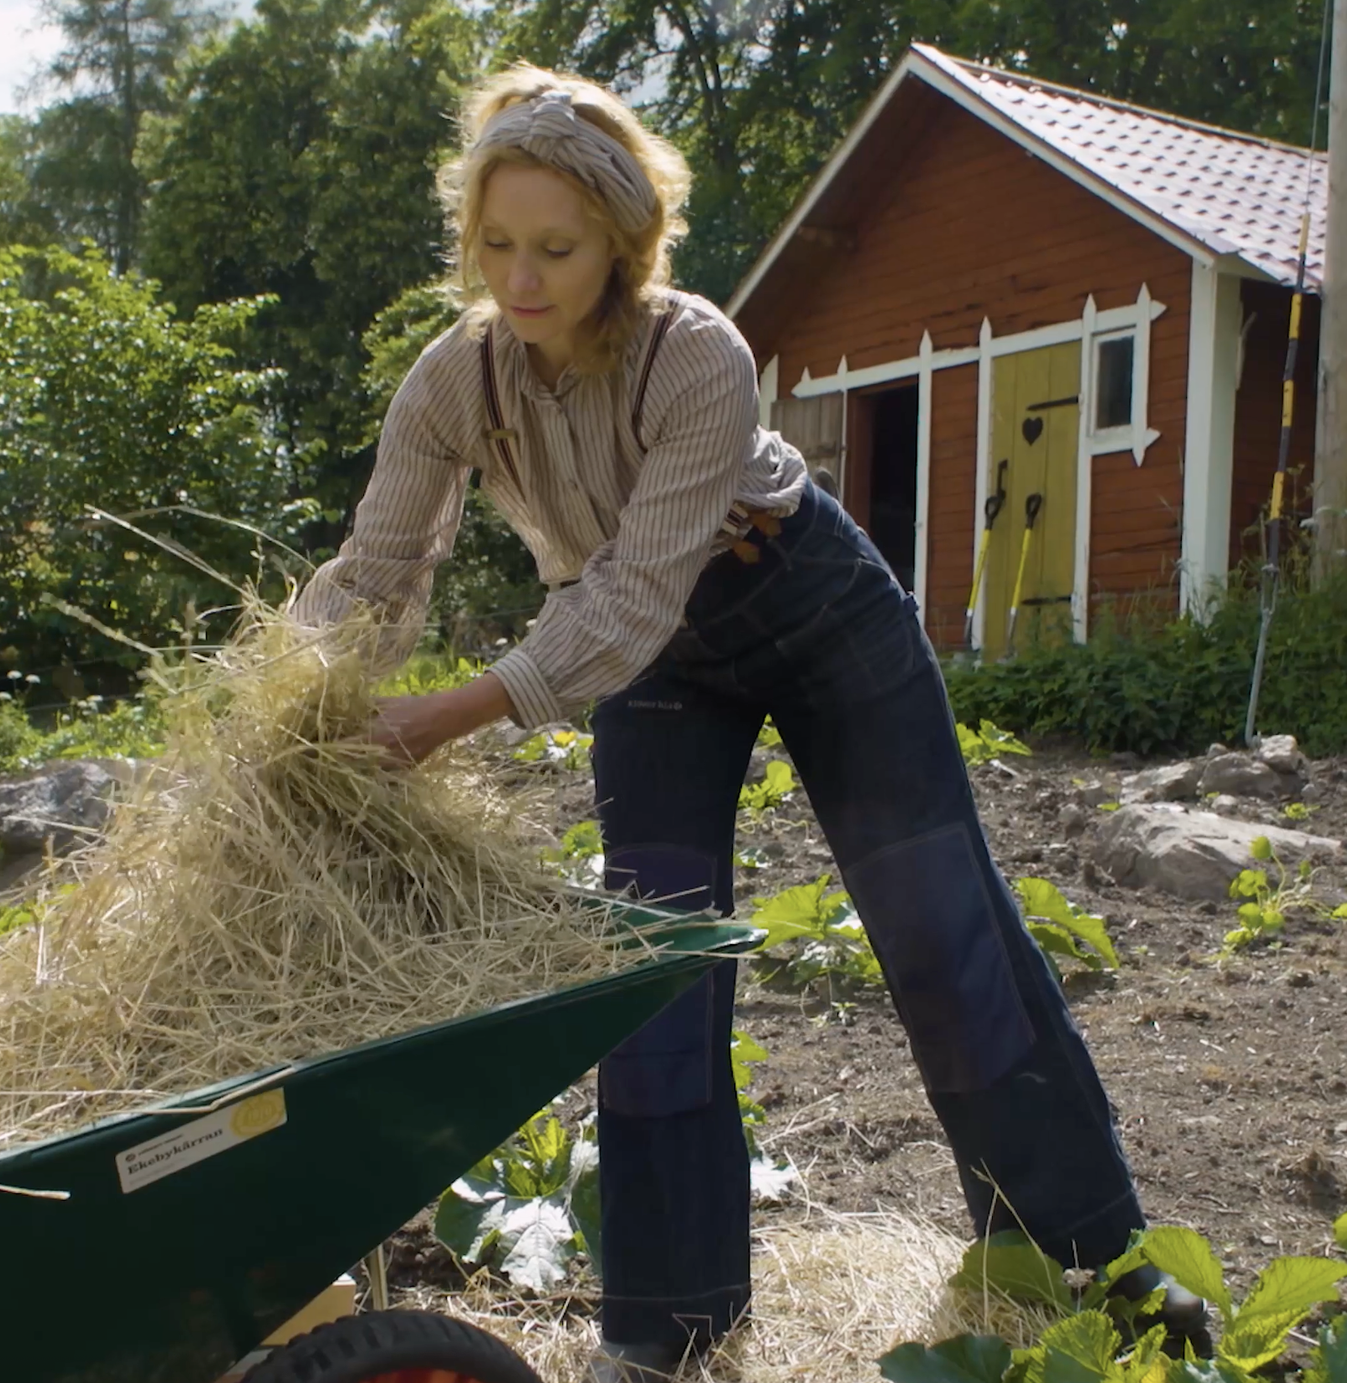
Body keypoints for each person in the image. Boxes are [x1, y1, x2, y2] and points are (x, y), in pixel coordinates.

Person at [289, 65, 1205, 1381]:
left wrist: (450, 714)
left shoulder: (698, 352)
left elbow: (634, 590)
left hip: (809, 608)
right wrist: (296, 699)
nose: (521, 278)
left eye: (556, 248)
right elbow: (380, 569)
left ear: (623, 240)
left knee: (941, 928)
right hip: (655, 663)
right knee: (654, 970)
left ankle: (1091, 1264)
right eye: (495, 245)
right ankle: (667, 1330)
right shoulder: (454, 380)